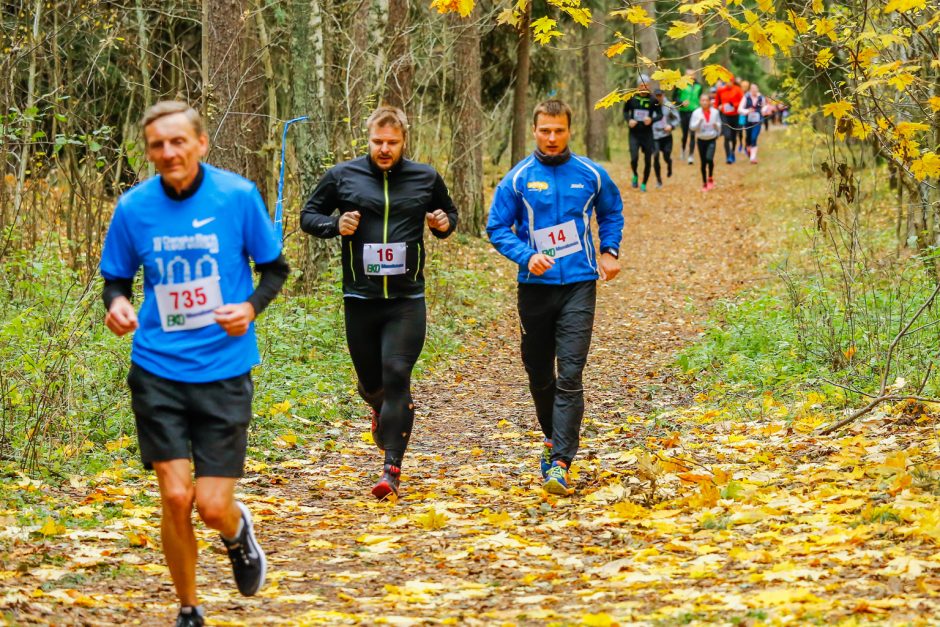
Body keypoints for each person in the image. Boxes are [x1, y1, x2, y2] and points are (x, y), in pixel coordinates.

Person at [99, 101, 289, 627]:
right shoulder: (134, 208)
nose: (168, 153)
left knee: (209, 504)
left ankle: (235, 531)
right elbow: (115, 277)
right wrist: (117, 304)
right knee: (176, 494)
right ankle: (189, 608)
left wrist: (250, 307)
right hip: (157, 368)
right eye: (158, 145)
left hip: (224, 370)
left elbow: (274, 269)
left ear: (201, 144)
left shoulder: (236, 196)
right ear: (149, 152)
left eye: (178, 141)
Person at [300, 105, 458, 500]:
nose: (384, 149)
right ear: (367, 139)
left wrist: (443, 224)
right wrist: (334, 225)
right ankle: (377, 405)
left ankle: (391, 469)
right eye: (377, 142)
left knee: (397, 374)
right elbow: (308, 215)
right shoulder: (343, 176)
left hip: (406, 299)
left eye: (392, 142)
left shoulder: (424, 177)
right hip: (361, 298)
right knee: (373, 383)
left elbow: (449, 214)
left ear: (404, 140)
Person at [487, 99, 624, 496]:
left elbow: (611, 212)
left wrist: (609, 251)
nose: (551, 138)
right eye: (545, 130)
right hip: (535, 289)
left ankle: (561, 462)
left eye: (558, 130)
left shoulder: (591, 174)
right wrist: (527, 256)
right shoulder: (517, 179)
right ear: (534, 130)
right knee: (538, 370)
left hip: (580, 283)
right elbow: (497, 228)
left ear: (569, 130)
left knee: (570, 373)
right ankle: (551, 438)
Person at [622, 74, 662, 192]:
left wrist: (652, 120)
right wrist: (629, 120)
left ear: (648, 86)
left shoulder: (653, 99)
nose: (643, 87)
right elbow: (625, 111)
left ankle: (644, 183)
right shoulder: (631, 98)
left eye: (645, 85)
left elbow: (660, 115)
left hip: (647, 134)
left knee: (648, 160)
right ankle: (635, 174)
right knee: (634, 158)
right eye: (641, 85)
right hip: (634, 133)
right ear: (638, 86)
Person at [689, 93, 722, 191]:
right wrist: (699, 122)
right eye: (702, 100)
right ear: (700, 102)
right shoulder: (696, 113)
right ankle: (704, 183)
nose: (704, 102)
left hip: (711, 139)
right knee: (703, 162)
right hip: (701, 139)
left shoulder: (715, 112)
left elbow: (719, 124)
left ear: (709, 102)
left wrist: (717, 127)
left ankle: (710, 177)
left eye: (706, 100)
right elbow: (692, 127)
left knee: (709, 159)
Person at [652, 89, 681, 188]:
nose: (658, 97)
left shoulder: (669, 105)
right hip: (654, 136)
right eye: (656, 95)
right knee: (655, 156)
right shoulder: (651, 104)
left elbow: (677, 118)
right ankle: (659, 180)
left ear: (663, 95)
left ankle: (669, 163)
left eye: (660, 95)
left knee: (666, 156)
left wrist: (671, 126)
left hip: (666, 136)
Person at [672, 68, 702, 165]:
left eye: (692, 74)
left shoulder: (699, 86)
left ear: (695, 76)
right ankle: (683, 149)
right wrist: (681, 102)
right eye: (688, 74)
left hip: (695, 112)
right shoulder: (680, 85)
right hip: (684, 112)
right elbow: (674, 98)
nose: (690, 76)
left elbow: (700, 98)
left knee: (693, 134)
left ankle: (691, 155)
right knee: (685, 134)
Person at [714, 77, 743, 164]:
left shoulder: (738, 90)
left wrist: (734, 104)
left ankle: (733, 152)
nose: (728, 83)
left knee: (733, 137)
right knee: (727, 136)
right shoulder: (720, 90)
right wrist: (718, 107)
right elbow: (716, 103)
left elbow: (743, 102)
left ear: (733, 81)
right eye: (727, 81)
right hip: (725, 116)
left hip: (735, 115)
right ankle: (728, 156)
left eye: (730, 81)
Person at [738, 82, 766, 163]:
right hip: (748, 121)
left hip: (757, 121)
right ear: (750, 90)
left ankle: (753, 158)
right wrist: (747, 111)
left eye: (755, 89)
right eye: (752, 89)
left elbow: (764, 107)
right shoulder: (746, 97)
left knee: (754, 138)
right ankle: (748, 148)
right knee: (748, 137)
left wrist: (763, 111)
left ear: (757, 89)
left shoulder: (761, 97)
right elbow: (740, 109)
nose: (754, 90)